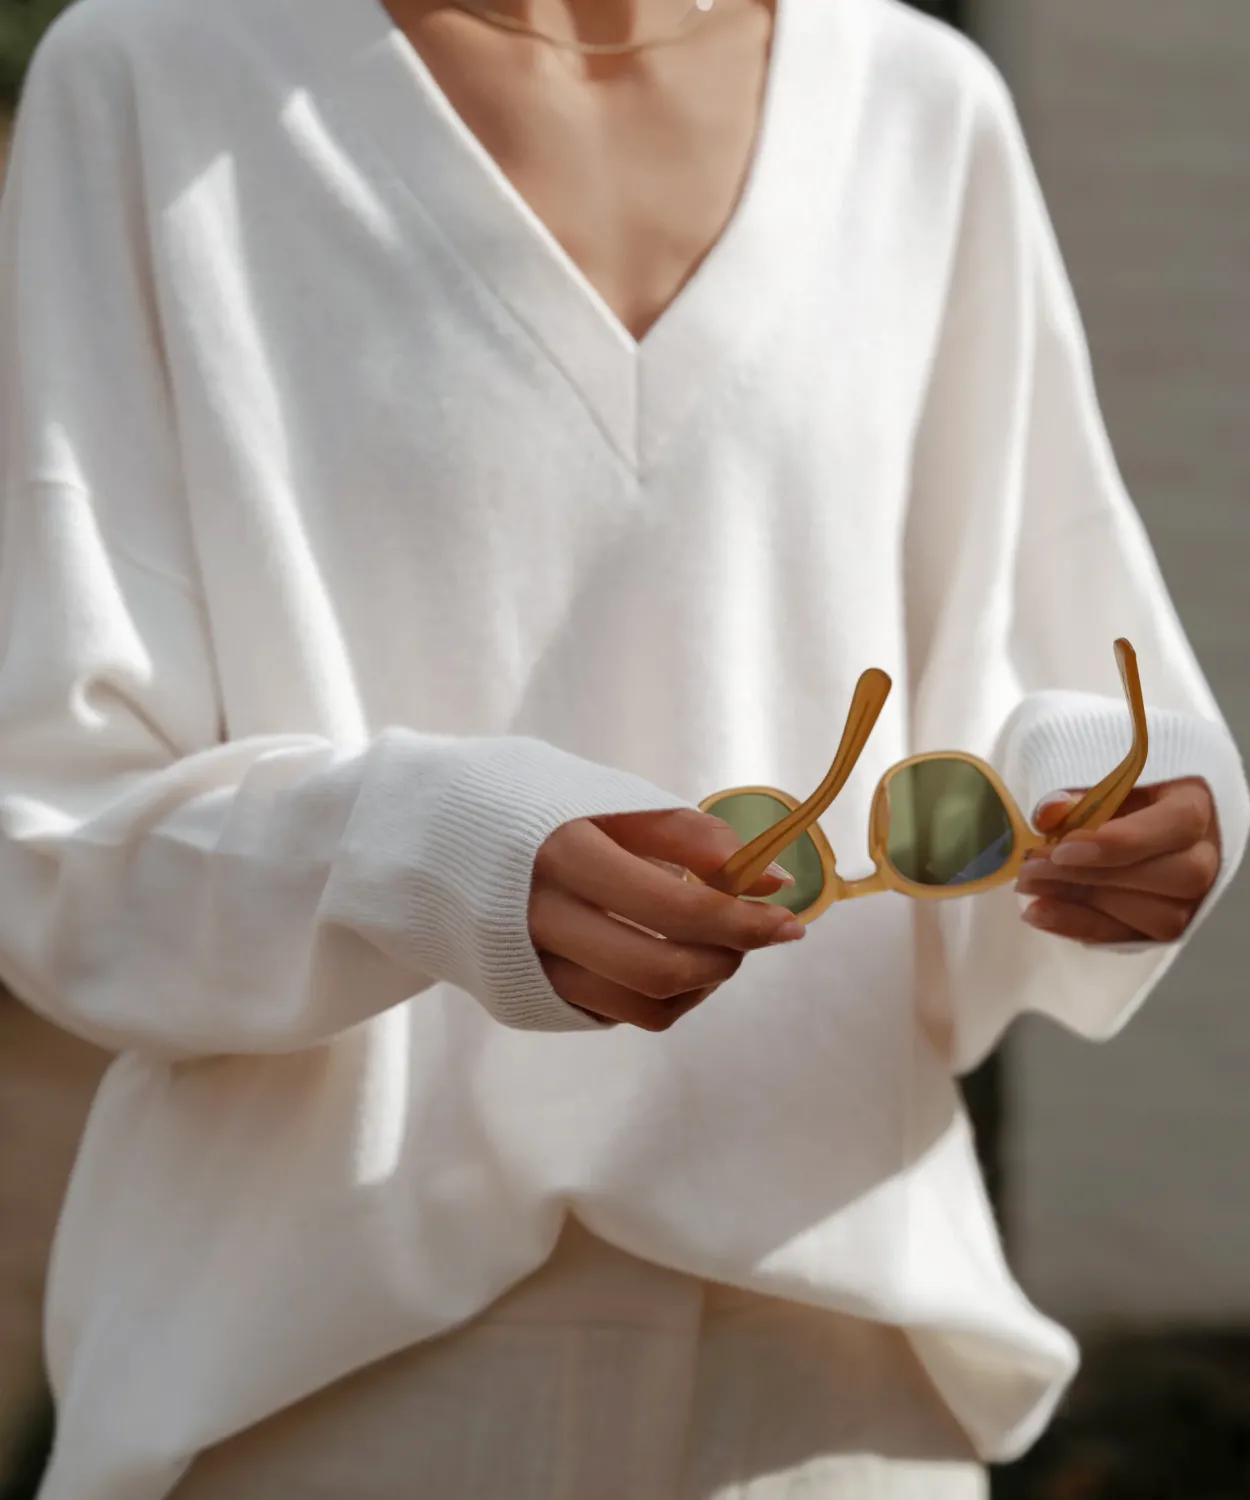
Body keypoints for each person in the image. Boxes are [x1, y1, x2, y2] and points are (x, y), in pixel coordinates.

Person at [0, 0, 1245, 1495]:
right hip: (329, 1385)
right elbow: (54, 827)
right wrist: (427, 848)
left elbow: (1052, 669)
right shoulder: (154, 74)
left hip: (841, 1394)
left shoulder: (918, 106)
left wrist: (1124, 815)